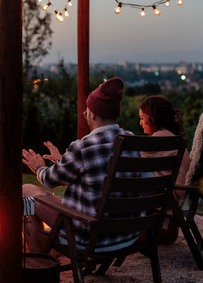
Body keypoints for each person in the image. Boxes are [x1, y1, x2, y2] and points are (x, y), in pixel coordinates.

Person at [22, 77, 137, 253]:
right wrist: (62, 160)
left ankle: (39, 261)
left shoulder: (84, 147)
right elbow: (96, 176)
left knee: (26, 191)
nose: (85, 114)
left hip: (90, 236)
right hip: (126, 236)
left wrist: (38, 167)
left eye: (87, 111)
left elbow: (50, 180)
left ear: (94, 114)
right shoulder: (130, 140)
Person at [138, 95, 193, 244]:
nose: (140, 123)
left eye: (143, 118)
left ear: (153, 118)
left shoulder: (157, 140)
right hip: (184, 196)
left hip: (170, 200)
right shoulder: (174, 138)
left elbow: (134, 161)